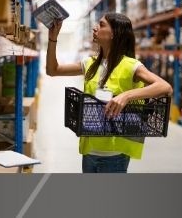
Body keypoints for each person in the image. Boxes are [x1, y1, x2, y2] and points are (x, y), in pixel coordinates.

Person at [46, 12, 172, 173]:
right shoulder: (90, 63)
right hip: (89, 148)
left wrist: (127, 95)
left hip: (115, 152)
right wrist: (52, 38)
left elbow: (165, 87)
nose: (95, 28)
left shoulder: (131, 65)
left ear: (114, 34)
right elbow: (53, 70)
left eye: (101, 24)